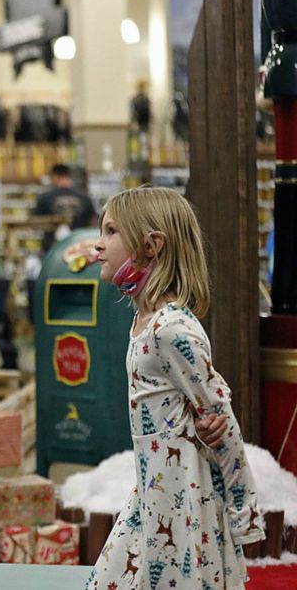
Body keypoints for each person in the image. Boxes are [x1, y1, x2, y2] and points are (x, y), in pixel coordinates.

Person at [87, 187, 264, 590]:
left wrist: (243, 507)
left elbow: (218, 415)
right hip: (154, 491)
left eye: (112, 231)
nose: (100, 243)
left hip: (184, 500)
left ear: (152, 246)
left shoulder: (171, 328)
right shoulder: (145, 322)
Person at [32, 163, 97, 254]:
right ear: (68, 176)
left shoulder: (44, 198)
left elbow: (35, 223)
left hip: (52, 250)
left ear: (54, 177)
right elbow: (93, 223)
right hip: (80, 248)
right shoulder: (84, 197)